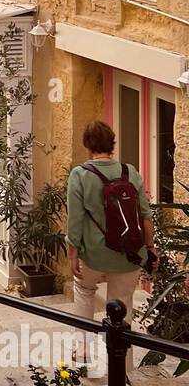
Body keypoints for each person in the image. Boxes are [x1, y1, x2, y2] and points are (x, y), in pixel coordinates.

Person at [66, 119, 156, 367]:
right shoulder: (130, 172)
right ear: (112, 145)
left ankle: (83, 355)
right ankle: (122, 367)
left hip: (93, 255)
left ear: (88, 146)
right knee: (123, 306)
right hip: (129, 254)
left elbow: (74, 222)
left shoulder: (80, 175)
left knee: (84, 293)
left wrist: (72, 255)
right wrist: (150, 248)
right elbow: (146, 215)